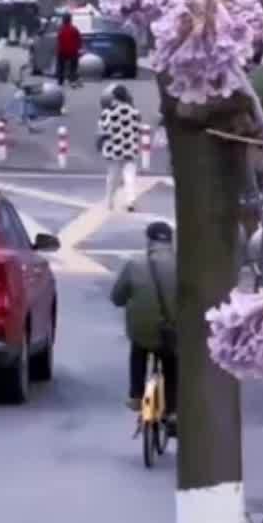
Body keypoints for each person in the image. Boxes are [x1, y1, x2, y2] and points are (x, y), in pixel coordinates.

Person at [109, 221, 179, 426]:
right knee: (172, 360)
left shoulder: (134, 264)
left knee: (138, 349)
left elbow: (117, 298)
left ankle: (137, 395)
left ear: (149, 240)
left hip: (141, 330)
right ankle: (173, 410)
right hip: (171, 330)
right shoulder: (184, 264)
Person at [96, 83, 143, 210]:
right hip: (130, 148)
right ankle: (130, 200)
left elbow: (103, 131)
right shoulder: (135, 112)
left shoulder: (107, 112)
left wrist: (99, 144)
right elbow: (138, 129)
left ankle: (109, 202)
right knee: (129, 175)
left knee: (112, 176)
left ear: (113, 96)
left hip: (113, 149)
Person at [53, 12, 82, 87]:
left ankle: (60, 80)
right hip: (72, 51)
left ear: (63, 20)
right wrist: (79, 48)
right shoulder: (74, 29)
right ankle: (72, 79)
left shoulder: (60, 29)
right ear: (70, 20)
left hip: (62, 51)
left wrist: (56, 49)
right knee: (73, 66)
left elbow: (58, 40)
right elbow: (79, 40)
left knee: (61, 66)